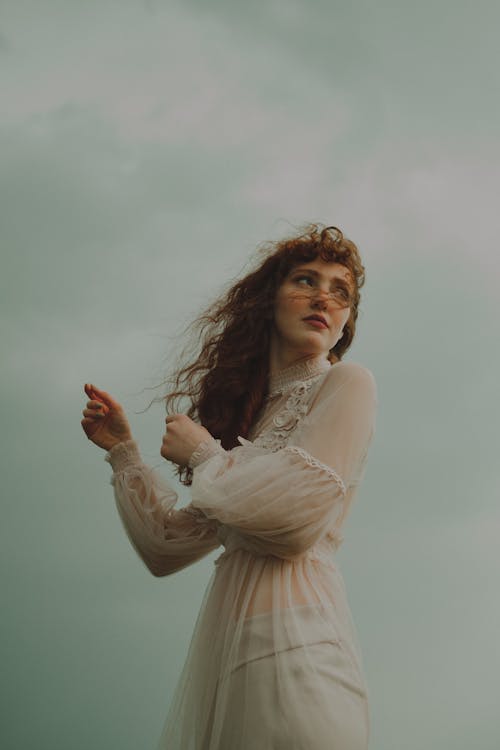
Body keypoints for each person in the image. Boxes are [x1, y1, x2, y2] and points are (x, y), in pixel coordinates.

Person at [81, 223, 378, 750]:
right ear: (268, 303)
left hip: (304, 644)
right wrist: (123, 450)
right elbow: (164, 548)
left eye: (341, 292)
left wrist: (204, 454)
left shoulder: (347, 384)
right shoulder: (250, 428)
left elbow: (296, 523)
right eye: (306, 280)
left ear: (344, 323)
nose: (323, 298)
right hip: (230, 658)